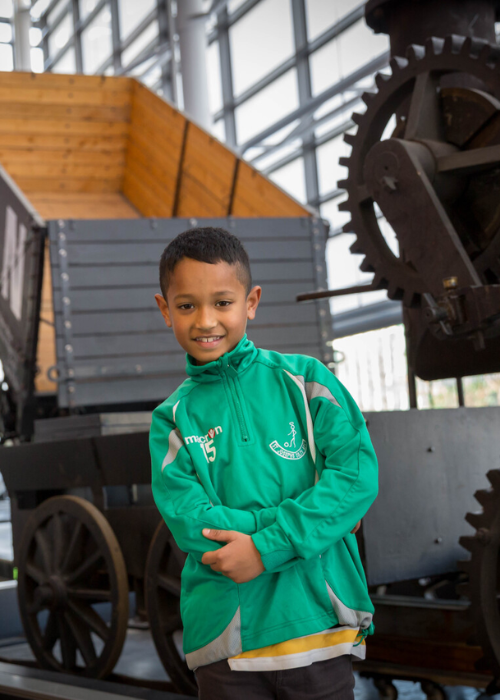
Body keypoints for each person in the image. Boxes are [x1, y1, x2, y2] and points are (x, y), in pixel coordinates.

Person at [149, 227, 378, 700]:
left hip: (321, 626)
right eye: (187, 306)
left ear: (251, 302)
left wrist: (262, 548)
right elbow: (194, 525)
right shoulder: (171, 420)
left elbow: (356, 479)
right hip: (229, 646)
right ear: (164, 309)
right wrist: (315, 522)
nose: (205, 320)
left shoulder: (308, 382)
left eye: (223, 303)